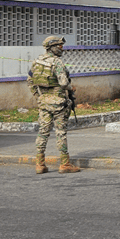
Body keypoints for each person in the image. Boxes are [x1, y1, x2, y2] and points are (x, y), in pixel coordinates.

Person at [28, 36, 80, 174]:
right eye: (60, 46)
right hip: (59, 103)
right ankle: (65, 164)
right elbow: (63, 83)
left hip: (44, 102)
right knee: (60, 132)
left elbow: (30, 81)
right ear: (52, 47)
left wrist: (39, 97)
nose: (62, 48)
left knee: (43, 132)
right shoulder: (57, 63)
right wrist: (71, 88)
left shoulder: (36, 62)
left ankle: (40, 164)